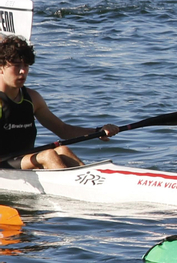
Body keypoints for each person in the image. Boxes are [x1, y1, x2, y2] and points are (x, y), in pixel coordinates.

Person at [0, 36, 118, 169]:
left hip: (24, 160)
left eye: (26, 65)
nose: (23, 71)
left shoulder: (32, 98)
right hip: (4, 164)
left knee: (63, 151)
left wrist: (98, 131)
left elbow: (63, 130)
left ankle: (93, 182)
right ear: (1, 67)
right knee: (48, 155)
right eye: (16, 66)